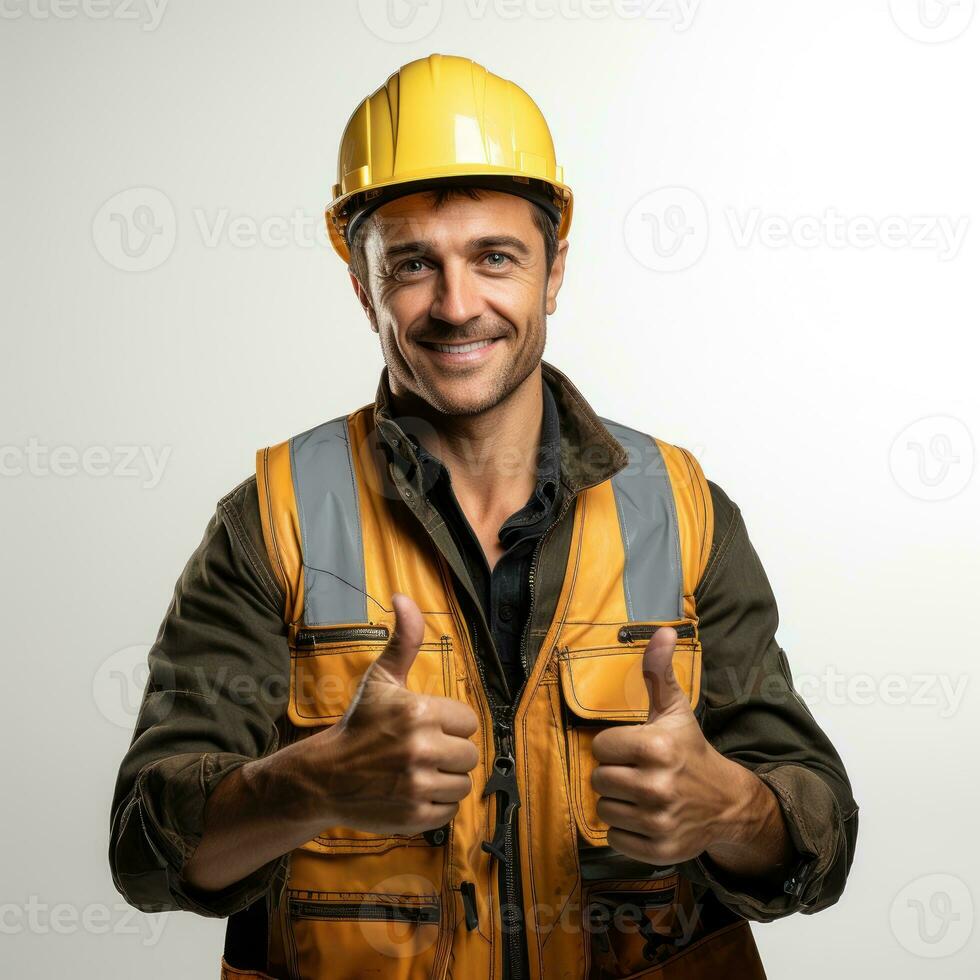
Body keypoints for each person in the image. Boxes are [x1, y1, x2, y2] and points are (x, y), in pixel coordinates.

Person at [109, 53, 858, 980]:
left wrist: (731, 809)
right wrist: (316, 782)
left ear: (554, 271)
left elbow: (821, 838)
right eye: (414, 264)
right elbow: (146, 851)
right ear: (361, 285)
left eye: (495, 257)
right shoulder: (273, 518)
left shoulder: (679, 507)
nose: (457, 306)